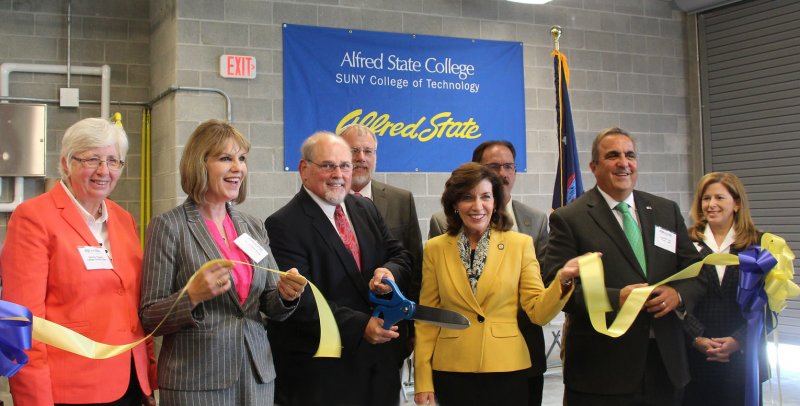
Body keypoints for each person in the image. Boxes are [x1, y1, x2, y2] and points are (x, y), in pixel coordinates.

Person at [138, 119, 306, 406]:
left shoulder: (252, 226)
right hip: (196, 382)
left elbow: (268, 303)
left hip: (256, 377)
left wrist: (286, 295)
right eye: (225, 158)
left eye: (241, 158)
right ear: (199, 164)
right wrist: (191, 296)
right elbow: (149, 316)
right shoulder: (169, 226)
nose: (237, 167)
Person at [543, 127, 705, 405]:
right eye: (612, 155)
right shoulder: (570, 218)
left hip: (665, 363)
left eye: (630, 155)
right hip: (603, 370)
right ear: (594, 167)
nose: (623, 163)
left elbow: (696, 271)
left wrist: (677, 294)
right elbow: (555, 285)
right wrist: (616, 298)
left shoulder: (666, 210)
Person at [0, 117, 157, 405]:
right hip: (71, 389)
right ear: (66, 162)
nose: (103, 171)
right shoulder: (33, 218)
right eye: (92, 159)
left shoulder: (124, 220)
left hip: (130, 382)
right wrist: (34, 400)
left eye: (113, 161)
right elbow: (23, 323)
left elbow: (133, 306)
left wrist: (146, 376)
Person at [264, 131, 412, 406]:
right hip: (324, 375)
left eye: (345, 165)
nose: (339, 174)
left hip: (378, 368)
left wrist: (389, 271)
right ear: (303, 169)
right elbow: (304, 301)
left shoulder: (364, 208)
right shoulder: (283, 224)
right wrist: (361, 326)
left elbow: (399, 254)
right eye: (328, 165)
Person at [414, 162, 580, 406]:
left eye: (486, 197)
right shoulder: (435, 249)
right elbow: (428, 319)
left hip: (508, 368)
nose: (478, 206)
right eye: (467, 197)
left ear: (495, 202)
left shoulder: (520, 245)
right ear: (454, 204)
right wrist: (423, 379)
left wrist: (562, 282)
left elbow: (537, 311)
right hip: (451, 369)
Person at [428, 140, 550, 405]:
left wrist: (564, 283)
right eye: (494, 166)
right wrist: (423, 376)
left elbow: (539, 296)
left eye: (509, 166)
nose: (503, 173)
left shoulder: (529, 230)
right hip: (455, 362)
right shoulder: (438, 240)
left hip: (515, 354)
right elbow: (431, 310)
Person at [682, 172, 771, 406]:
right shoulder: (684, 244)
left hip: (743, 360)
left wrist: (738, 340)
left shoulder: (760, 246)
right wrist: (696, 337)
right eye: (705, 198)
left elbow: (771, 305)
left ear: (737, 203)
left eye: (719, 198)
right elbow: (674, 298)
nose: (711, 205)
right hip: (695, 358)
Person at [338, 123, 423, 302]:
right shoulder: (329, 204)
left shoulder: (401, 200)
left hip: (393, 312)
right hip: (344, 314)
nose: (361, 158)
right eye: (353, 151)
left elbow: (414, 262)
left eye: (368, 151)